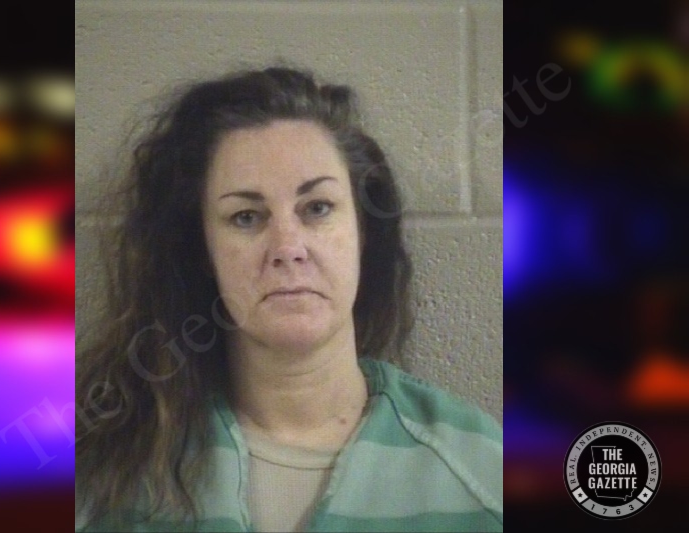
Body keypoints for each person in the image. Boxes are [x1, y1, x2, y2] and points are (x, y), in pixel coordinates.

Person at [75, 66, 502, 532]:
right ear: (202, 251)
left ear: (363, 231)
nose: (287, 247)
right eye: (245, 217)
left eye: (317, 208)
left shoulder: (483, 472)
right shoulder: (104, 474)